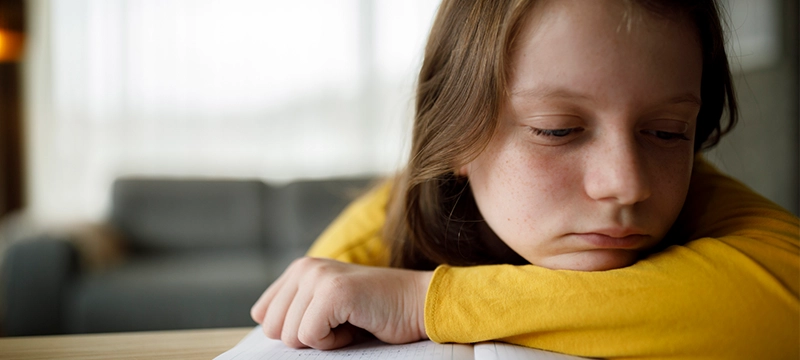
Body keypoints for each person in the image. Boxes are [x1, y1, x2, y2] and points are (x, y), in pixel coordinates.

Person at [251, 0, 800, 358]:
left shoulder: (701, 195)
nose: (627, 184)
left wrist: (423, 303)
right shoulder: (386, 225)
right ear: (458, 137)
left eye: (666, 132)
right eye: (557, 130)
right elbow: (315, 315)